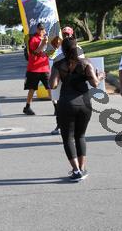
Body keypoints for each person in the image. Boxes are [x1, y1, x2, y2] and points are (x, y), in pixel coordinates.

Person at [49, 38, 103, 182]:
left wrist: (55, 75)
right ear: (77, 48)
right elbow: (95, 83)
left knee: (67, 138)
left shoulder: (58, 64)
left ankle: (76, 170)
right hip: (85, 104)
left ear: (63, 50)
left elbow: (53, 85)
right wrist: (100, 76)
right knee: (80, 136)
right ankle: (82, 168)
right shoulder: (86, 63)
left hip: (66, 104)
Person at [50, 26, 86, 135]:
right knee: (59, 105)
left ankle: (74, 129)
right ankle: (59, 125)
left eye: (67, 34)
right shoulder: (59, 47)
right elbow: (54, 61)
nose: (66, 36)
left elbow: (81, 63)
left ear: (71, 34)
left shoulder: (78, 48)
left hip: (74, 81)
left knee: (73, 106)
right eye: (64, 34)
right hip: (61, 79)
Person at [23, 23, 50, 115]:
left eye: (43, 29)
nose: (41, 31)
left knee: (49, 88)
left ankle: (56, 107)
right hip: (34, 69)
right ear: (37, 30)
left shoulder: (45, 38)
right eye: (40, 29)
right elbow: (36, 52)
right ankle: (27, 107)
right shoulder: (33, 39)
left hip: (44, 68)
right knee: (32, 89)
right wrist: (43, 44)